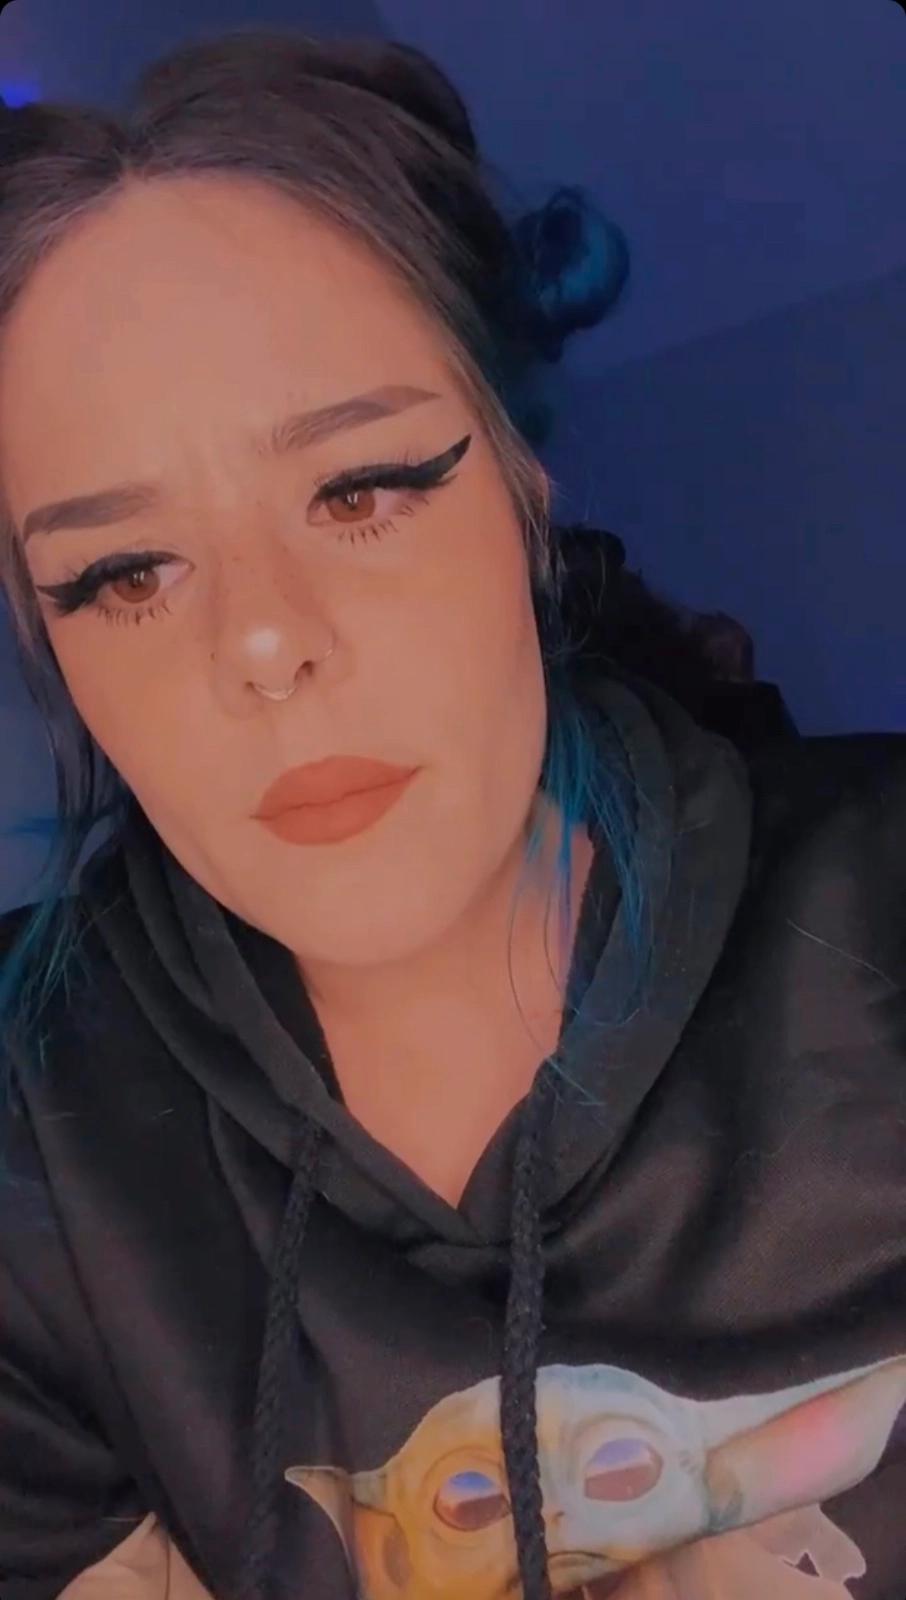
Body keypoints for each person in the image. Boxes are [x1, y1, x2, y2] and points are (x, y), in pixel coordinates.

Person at [0, 28, 903, 1600]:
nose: (263, 643)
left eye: (358, 490)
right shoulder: (31, 1150)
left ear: (525, 495)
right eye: (124, 573)